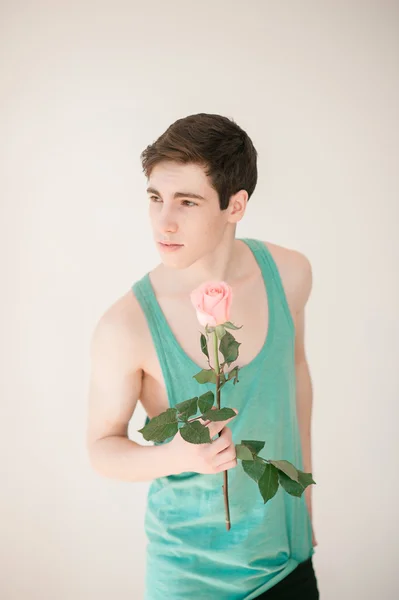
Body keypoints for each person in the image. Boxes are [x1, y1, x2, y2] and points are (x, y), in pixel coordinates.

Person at [86, 113, 319, 599]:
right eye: (155, 199)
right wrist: (176, 455)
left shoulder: (290, 274)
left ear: (235, 206)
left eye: (187, 202)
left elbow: (295, 377)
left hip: (286, 561)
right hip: (189, 578)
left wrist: (305, 503)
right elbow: (101, 448)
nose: (163, 222)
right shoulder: (125, 325)